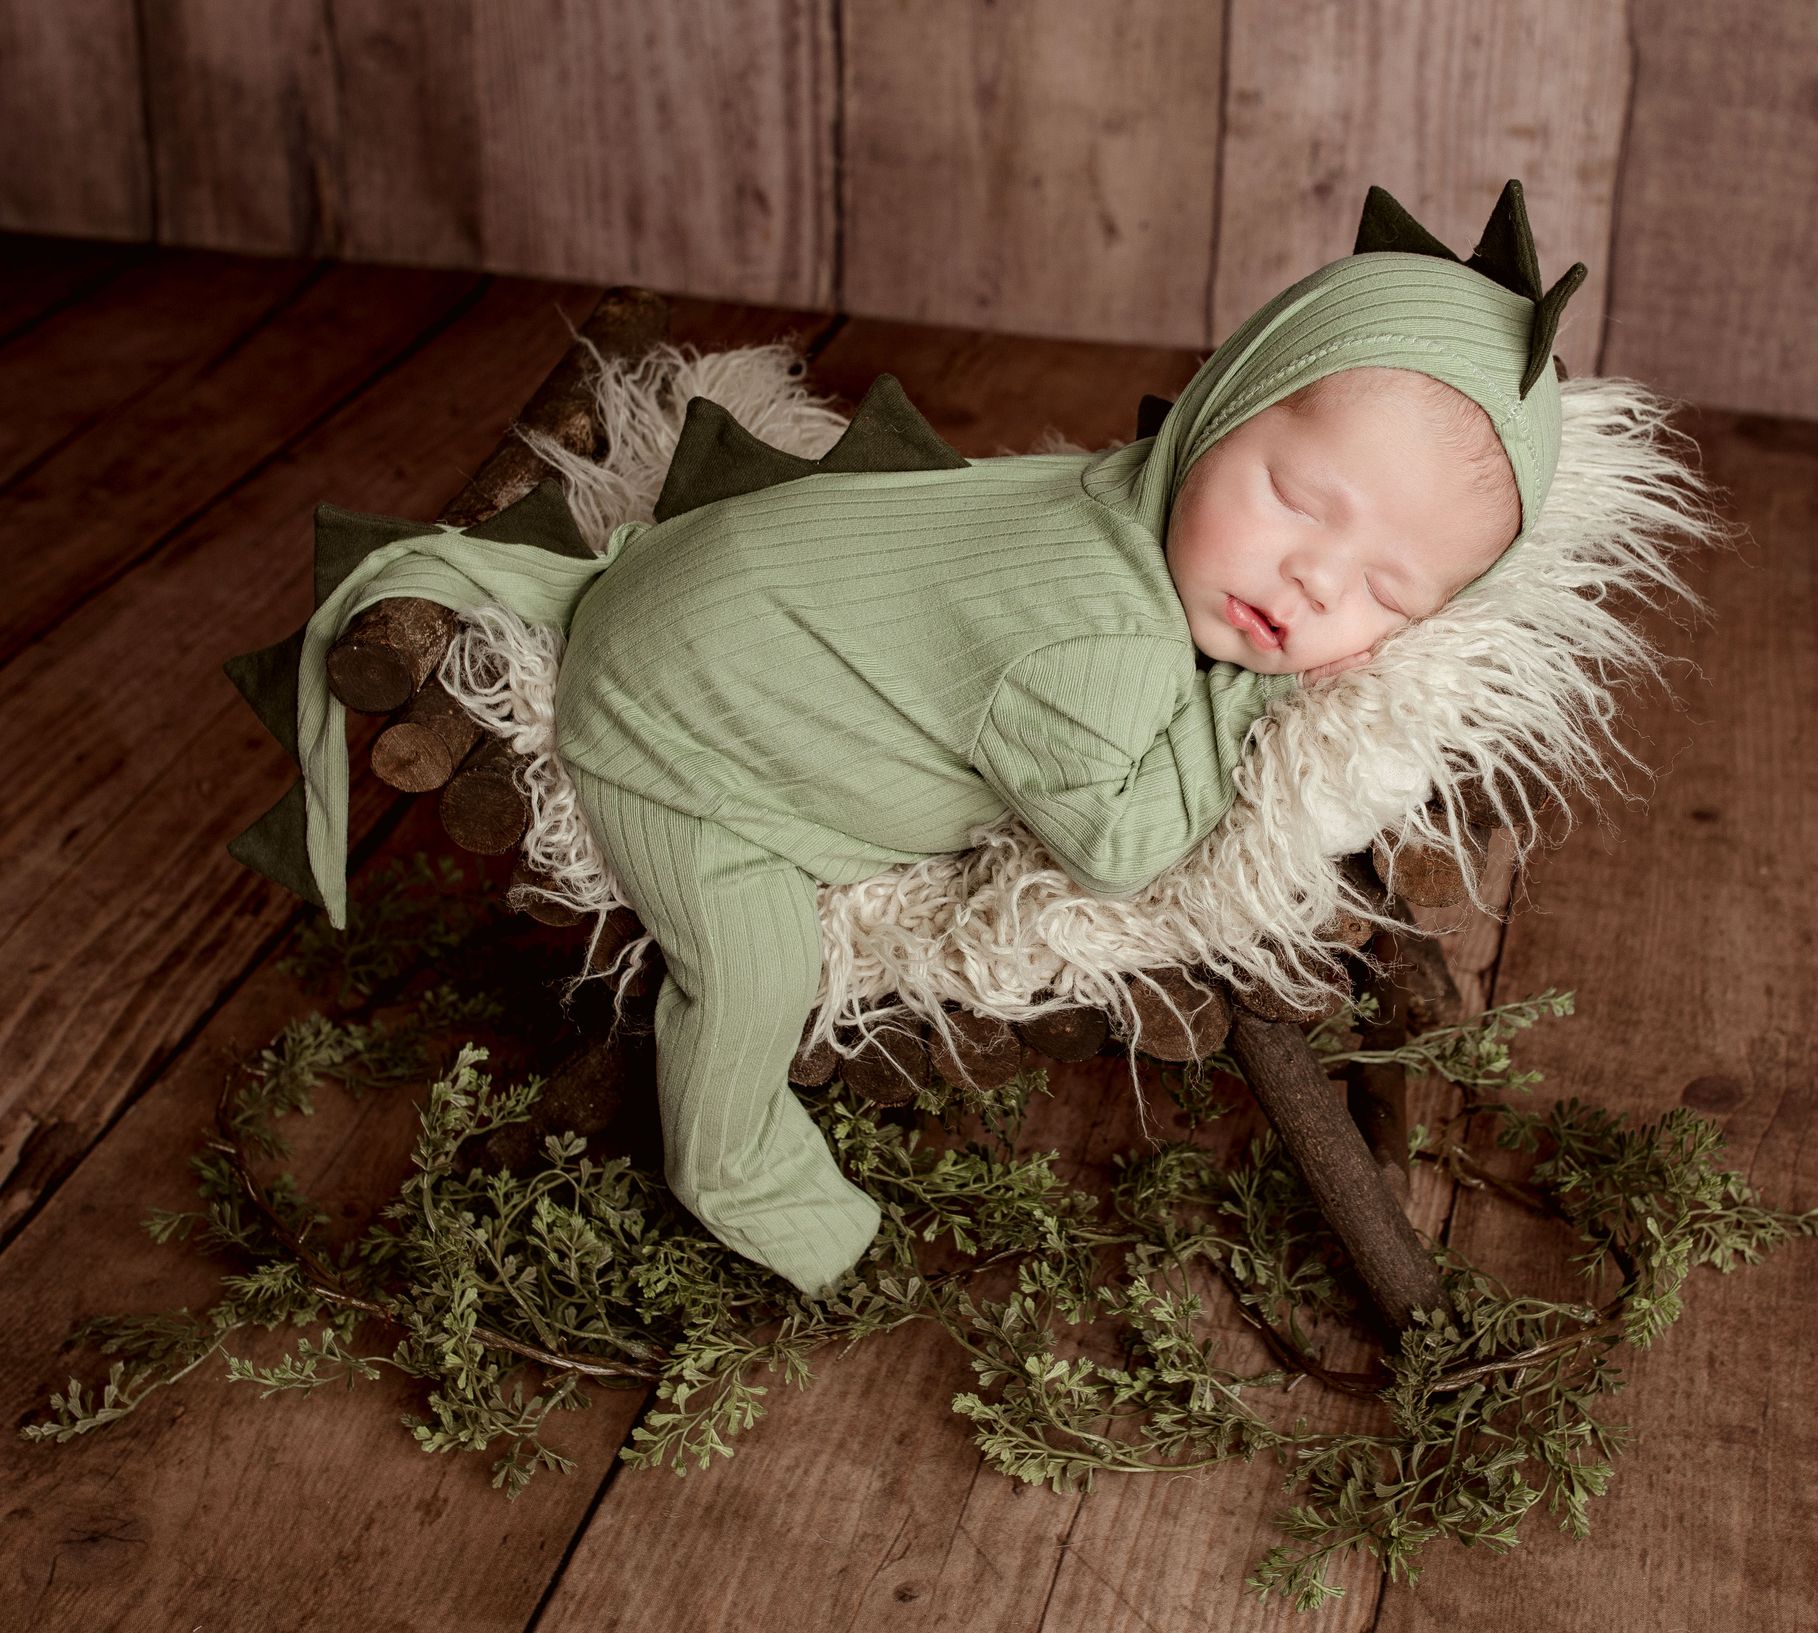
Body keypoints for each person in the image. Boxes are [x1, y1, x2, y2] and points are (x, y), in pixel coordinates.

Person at [222, 180, 1584, 1300]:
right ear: (1223, 404)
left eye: (1386, 593)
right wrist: (1248, 697)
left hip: (713, 597)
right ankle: (738, 1173)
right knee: (751, 968)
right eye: (1296, 499)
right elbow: (1122, 850)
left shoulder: (1124, 498)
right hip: (672, 727)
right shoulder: (1098, 639)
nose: (1311, 586)